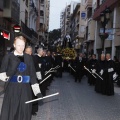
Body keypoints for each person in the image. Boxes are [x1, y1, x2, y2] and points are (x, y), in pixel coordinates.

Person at [0, 36, 42, 120]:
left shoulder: (29, 58)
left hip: (25, 90)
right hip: (12, 89)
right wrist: (10, 74)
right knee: (12, 113)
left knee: (24, 113)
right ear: (14, 45)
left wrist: (38, 92)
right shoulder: (8, 57)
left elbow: (33, 76)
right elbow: (2, 74)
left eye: (23, 45)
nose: (21, 47)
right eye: (18, 45)